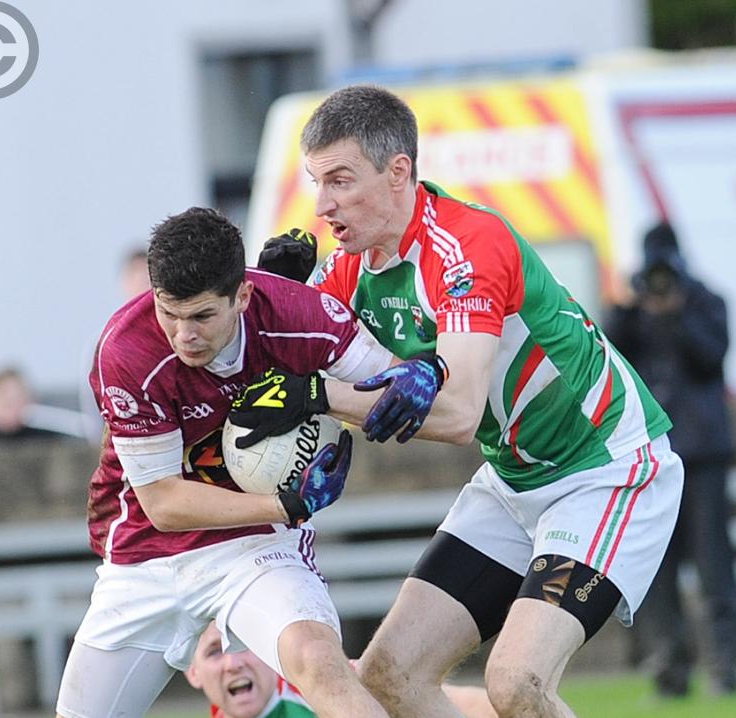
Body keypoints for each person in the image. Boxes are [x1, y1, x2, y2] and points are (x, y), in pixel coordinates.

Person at [235, 84, 685, 718]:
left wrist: (314, 393)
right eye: (316, 182)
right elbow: (265, 379)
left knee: (517, 682)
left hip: (606, 472)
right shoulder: (345, 271)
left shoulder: (467, 245)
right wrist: (267, 298)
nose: (322, 204)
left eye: (339, 180)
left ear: (399, 173)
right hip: (512, 480)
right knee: (390, 675)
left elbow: (456, 414)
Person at [55, 206, 416, 718]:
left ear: (243, 295)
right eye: (168, 313)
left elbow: (396, 397)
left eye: (202, 315)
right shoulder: (126, 349)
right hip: (144, 557)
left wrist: (320, 390)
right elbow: (164, 504)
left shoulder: (299, 314)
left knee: (318, 661)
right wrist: (287, 502)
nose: (184, 335)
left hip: (252, 545)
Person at [607, 221, 736, 696]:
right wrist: (634, 307)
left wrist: (676, 316)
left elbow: (712, 356)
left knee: (714, 568)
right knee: (654, 571)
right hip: (651, 461)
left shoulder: (705, 302)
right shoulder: (633, 307)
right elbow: (607, 351)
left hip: (700, 456)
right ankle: (670, 671)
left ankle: (726, 669)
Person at [188, 622, 496, 718]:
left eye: (243, 646)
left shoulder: (318, 686)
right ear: (193, 672)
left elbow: (464, 704)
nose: (233, 663)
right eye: (215, 652)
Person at [79, 247, 153, 444]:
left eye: (148, 276)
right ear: (124, 283)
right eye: (136, 276)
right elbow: (93, 404)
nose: (144, 283)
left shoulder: (177, 334)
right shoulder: (105, 342)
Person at [0, 366, 66, 445]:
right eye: (6, 402)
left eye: (17, 399)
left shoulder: (47, 439)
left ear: (30, 401)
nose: (12, 407)